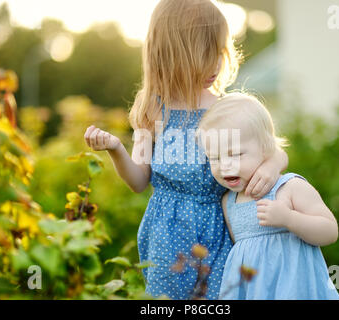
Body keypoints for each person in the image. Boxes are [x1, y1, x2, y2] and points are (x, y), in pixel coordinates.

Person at [84, 0, 288, 299]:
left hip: (220, 228)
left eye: (219, 52)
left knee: (218, 298)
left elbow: (272, 150)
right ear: (171, 54)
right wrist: (116, 148)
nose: (217, 65)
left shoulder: (225, 108)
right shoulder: (154, 109)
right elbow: (139, 181)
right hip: (166, 234)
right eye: (206, 55)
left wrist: (271, 167)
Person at [197, 92, 339, 299]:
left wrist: (289, 219)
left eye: (235, 154)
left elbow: (330, 231)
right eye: (214, 158)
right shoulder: (228, 202)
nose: (225, 165)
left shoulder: (289, 187)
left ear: (266, 149)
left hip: (295, 290)